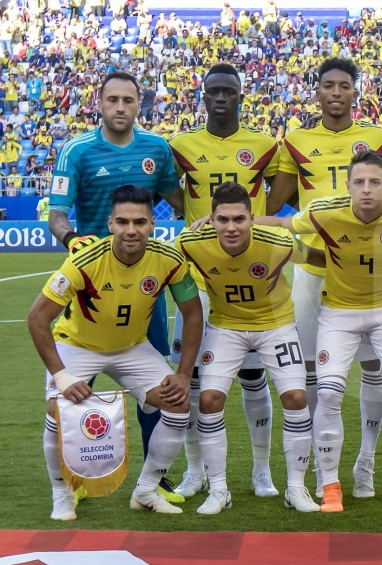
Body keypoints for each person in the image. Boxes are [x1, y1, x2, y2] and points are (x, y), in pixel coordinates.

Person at [267, 58, 382, 498]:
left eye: (344, 85)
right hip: (313, 270)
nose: (336, 92)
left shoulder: (380, 139)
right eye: (328, 85)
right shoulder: (296, 141)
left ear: (354, 93)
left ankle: (365, 461)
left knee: (374, 369)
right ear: (317, 92)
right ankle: (316, 468)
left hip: (368, 274)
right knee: (312, 372)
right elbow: (275, 207)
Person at [46, 71, 186, 504]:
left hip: (143, 280)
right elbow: (57, 214)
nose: (120, 107)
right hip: (91, 280)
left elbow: (181, 201)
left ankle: (153, 478)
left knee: (159, 380)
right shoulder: (77, 150)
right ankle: (78, 477)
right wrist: (73, 241)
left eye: (129, 99)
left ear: (139, 103)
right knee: (71, 393)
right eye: (113, 100)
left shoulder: (157, 148)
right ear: (99, 103)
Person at [27, 185, 202, 521]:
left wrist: (182, 373)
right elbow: (37, 318)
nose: (131, 230)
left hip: (131, 348)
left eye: (139, 222)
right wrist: (62, 377)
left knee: (179, 402)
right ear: (110, 224)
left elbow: (193, 313)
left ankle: (147, 490)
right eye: (123, 222)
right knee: (57, 407)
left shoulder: (170, 260)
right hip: (77, 346)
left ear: (153, 223)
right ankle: (62, 494)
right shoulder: (84, 260)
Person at [258, 151, 382, 513]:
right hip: (340, 312)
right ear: (348, 186)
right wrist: (235, 220)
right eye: (359, 182)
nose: (366, 189)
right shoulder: (324, 211)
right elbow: (284, 227)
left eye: (374, 182)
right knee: (329, 394)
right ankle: (330, 486)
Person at [168, 63, 281, 500]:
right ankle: (195, 471)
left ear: (240, 96)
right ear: (202, 96)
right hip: (195, 277)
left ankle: (261, 471)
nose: (220, 98)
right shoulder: (180, 145)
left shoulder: (264, 145)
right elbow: (171, 192)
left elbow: (283, 190)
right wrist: (193, 218)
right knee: (192, 381)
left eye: (228, 92)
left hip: (249, 277)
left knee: (253, 379)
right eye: (212, 91)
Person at [175, 182, 321, 514]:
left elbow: (315, 258)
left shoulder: (278, 241)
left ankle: (296, 489)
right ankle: (219, 490)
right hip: (225, 325)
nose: (231, 227)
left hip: (276, 325)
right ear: (210, 219)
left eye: (238, 219)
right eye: (222, 219)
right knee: (210, 399)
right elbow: (159, 262)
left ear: (252, 219)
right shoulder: (190, 243)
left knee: (296, 398)